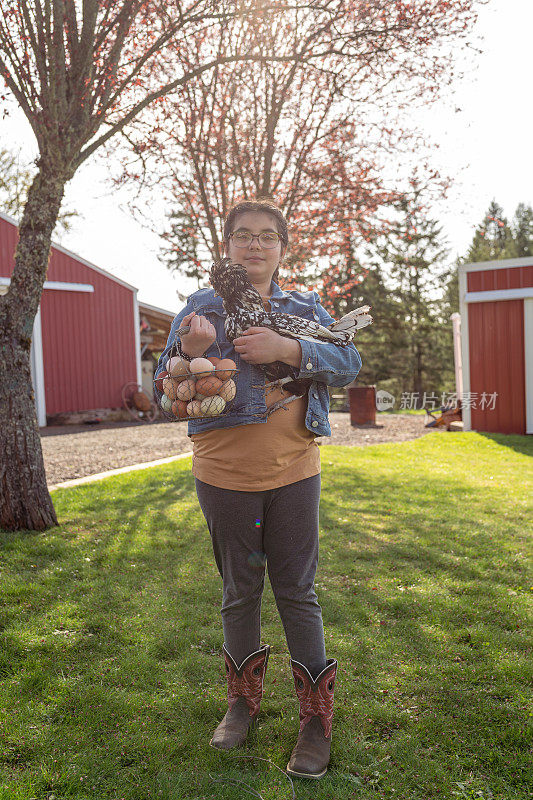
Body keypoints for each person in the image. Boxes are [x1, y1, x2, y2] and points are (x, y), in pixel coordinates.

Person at [156, 198, 362, 780]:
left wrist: (288, 349)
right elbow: (162, 392)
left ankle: (316, 720)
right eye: (244, 235)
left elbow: (349, 362)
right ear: (227, 244)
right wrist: (191, 354)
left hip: (295, 470)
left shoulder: (303, 307)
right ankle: (242, 704)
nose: (255, 245)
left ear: (282, 248)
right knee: (239, 592)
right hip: (224, 474)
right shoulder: (200, 307)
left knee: (298, 592)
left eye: (267, 237)